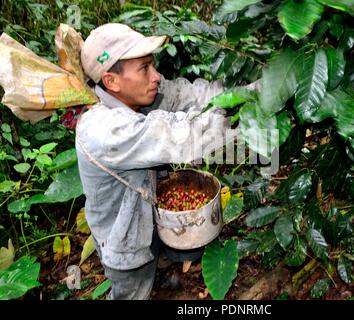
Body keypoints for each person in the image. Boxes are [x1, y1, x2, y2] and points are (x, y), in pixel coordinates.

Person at [76, 23, 236, 300]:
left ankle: (163, 278)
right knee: (134, 289)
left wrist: (254, 91)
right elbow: (181, 136)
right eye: (145, 68)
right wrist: (246, 119)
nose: (156, 76)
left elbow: (192, 97)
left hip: (154, 217)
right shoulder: (103, 130)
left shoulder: (139, 96)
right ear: (112, 81)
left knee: (161, 256)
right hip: (125, 242)